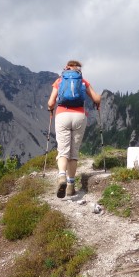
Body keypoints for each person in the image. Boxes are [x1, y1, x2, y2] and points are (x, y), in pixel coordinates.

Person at [48, 60, 101, 198]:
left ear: (67, 67)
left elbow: (51, 102)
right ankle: (71, 185)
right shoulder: (83, 81)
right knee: (74, 151)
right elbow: (97, 98)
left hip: (62, 114)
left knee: (63, 150)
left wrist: (50, 108)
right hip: (79, 116)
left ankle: (61, 176)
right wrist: (97, 103)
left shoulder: (59, 80)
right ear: (78, 69)